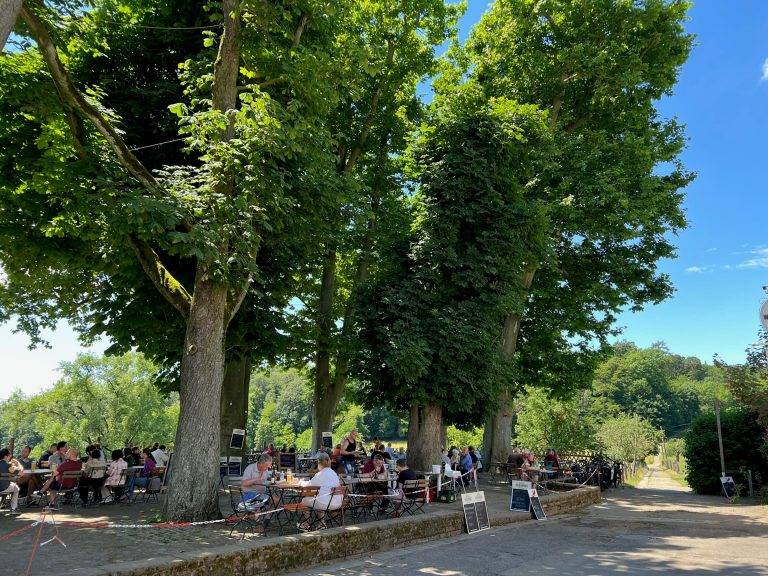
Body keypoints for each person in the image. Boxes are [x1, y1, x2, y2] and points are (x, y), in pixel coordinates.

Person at [298, 452, 342, 528]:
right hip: (338, 502)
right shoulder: (334, 473)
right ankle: (321, 523)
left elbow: (309, 484)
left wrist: (300, 482)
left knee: (304, 500)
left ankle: (306, 523)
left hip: (325, 502)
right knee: (318, 499)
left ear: (319, 463)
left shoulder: (321, 474)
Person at [0, 448, 22, 514]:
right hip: (3, 487)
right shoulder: (9, 465)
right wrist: (18, 463)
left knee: (12, 485)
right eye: (9, 455)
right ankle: (13, 509)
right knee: (16, 488)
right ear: (6, 456)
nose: (11, 456)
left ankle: (2, 503)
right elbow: (20, 473)